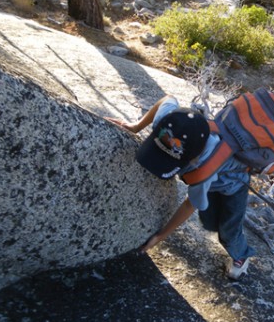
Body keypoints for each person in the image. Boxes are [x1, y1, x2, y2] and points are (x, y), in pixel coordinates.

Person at [106, 95, 256, 280]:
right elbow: (167, 98)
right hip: (213, 175)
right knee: (208, 222)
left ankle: (241, 256)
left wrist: (160, 236)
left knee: (227, 230)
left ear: (193, 159)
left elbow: (189, 204)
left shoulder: (204, 167)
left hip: (233, 184)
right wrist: (136, 126)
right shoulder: (169, 124)